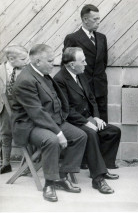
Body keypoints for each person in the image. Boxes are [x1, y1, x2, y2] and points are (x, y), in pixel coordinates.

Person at [11, 44, 87, 202]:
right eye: (50, 61)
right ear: (38, 61)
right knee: (51, 140)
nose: (54, 64)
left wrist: (62, 120)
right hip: (30, 125)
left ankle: (62, 176)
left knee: (80, 135)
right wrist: (59, 133)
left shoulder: (43, 73)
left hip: (49, 121)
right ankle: (49, 184)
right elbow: (36, 113)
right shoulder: (26, 80)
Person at [54, 47, 121, 194]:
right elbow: (67, 109)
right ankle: (98, 179)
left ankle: (101, 167)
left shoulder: (80, 74)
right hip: (72, 121)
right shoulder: (59, 80)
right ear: (72, 64)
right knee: (91, 133)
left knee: (113, 132)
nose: (86, 63)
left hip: (87, 117)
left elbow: (92, 99)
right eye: (82, 61)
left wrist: (96, 117)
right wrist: (86, 122)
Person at [63, 4, 109, 123]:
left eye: (99, 19)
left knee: (103, 123)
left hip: (100, 88)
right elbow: (67, 64)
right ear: (85, 19)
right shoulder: (73, 38)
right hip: (83, 88)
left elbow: (104, 62)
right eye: (95, 19)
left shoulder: (101, 38)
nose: (98, 22)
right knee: (87, 124)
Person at [0, 45, 29, 174]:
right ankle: (6, 163)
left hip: (22, 106)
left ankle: (27, 164)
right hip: (4, 105)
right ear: (11, 59)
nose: (26, 61)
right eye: (23, 59)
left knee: (26, 132)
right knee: (5, 132)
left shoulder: (26, 70)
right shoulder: (0, 70)